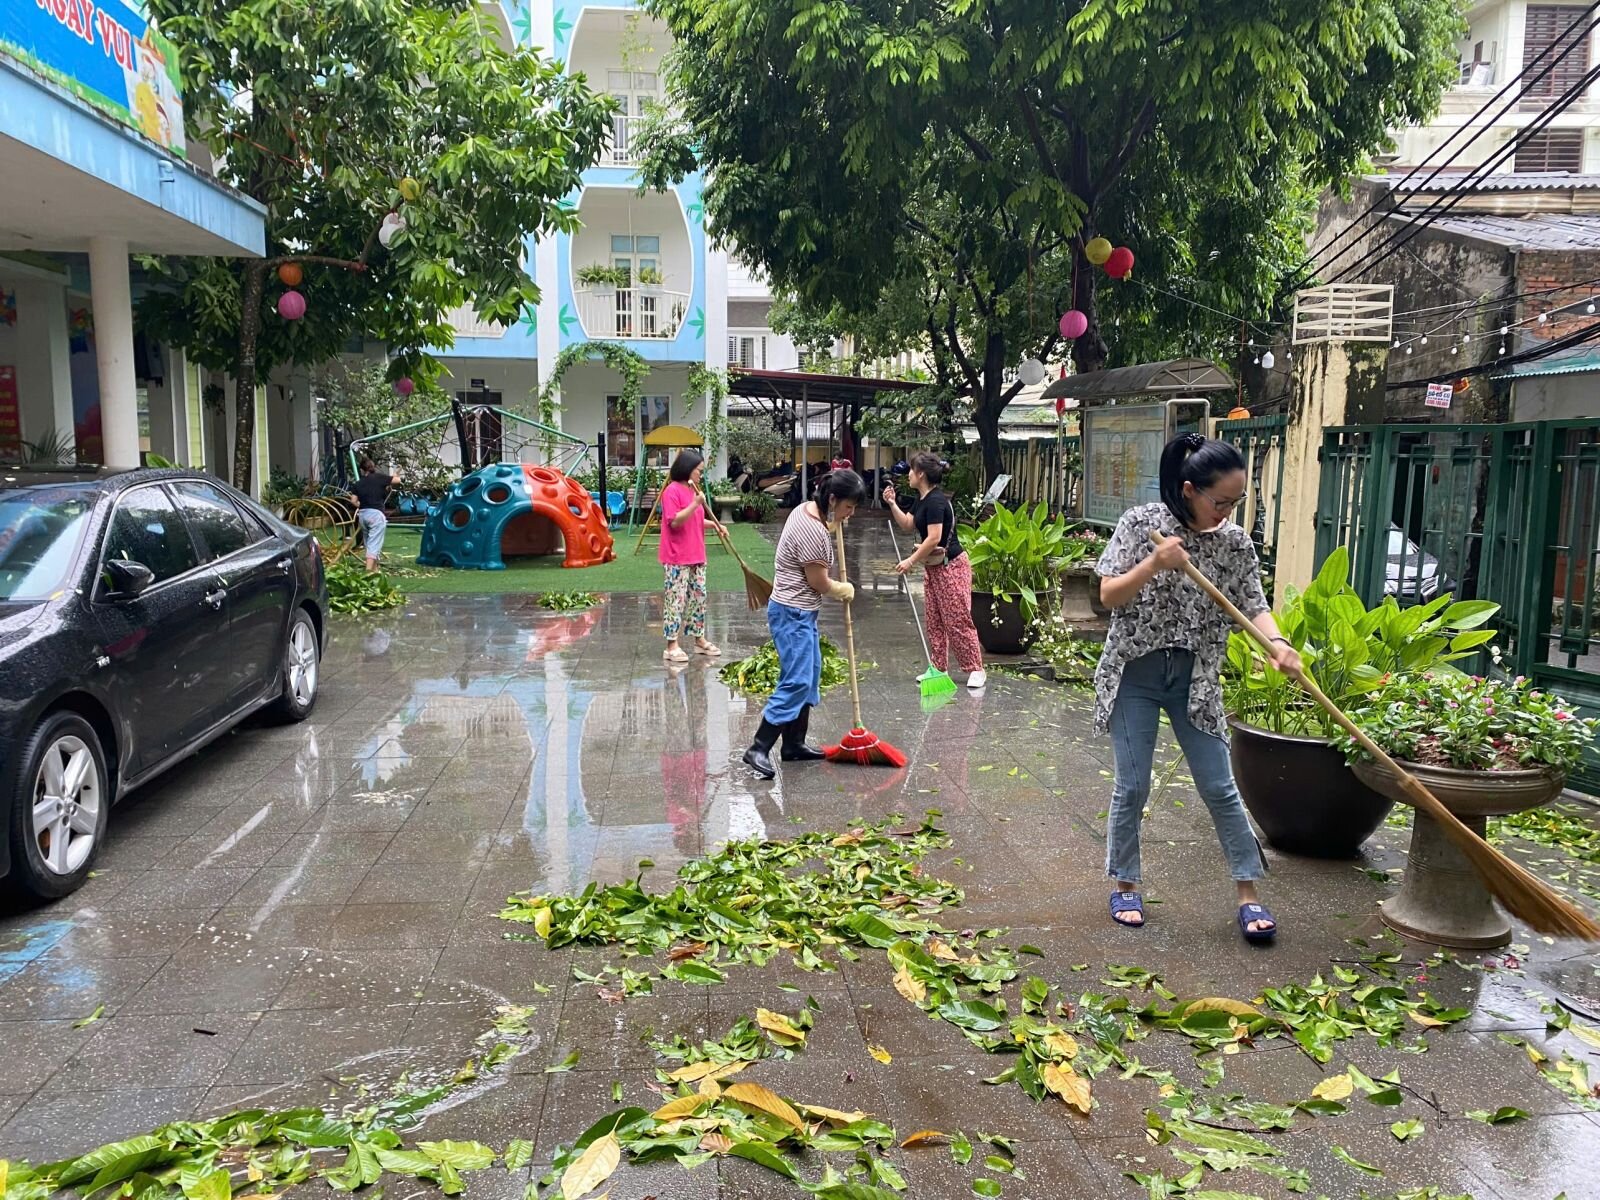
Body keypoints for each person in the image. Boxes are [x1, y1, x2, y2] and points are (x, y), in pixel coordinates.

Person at [1093, 433, 1301, 943]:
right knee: (1133, 785)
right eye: (1220, 502)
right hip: (1135, 672)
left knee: (1219, 786)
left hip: (1197, 677)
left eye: (1236, 502)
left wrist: (1276, 643)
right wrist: (1153, 564)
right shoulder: (1143, 525)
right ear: (1190, 489)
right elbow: (1107, 595)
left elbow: (1253, 603)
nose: (1227, 512)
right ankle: (1126, 883)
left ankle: (1249, 895)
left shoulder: (1234, 543)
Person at [742, 468, 867, 779]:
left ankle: (793, 744)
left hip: (799, 611)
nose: (850, 514)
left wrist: (834, 521)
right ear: (833, 499)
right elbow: (819, 582)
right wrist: (842, 589)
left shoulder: (804, 510)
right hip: (792, 612)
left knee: (808, 675)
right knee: (797, 680)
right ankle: (759, 746)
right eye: (848, 507)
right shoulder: (813, 532)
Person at [882, 452, 985, 689]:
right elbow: (908, 525)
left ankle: (976, 668)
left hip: (952, 567)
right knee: (934, 620)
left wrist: (910, 561)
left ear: (921, 474)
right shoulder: (922, 499)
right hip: (934, 569)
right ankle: (938, 668)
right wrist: (892, 504)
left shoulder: (937, 501)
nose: (908, 474)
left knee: (957, 619)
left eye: (911, 470)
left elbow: (934, 538)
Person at [660, 449, 726, 663]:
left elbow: (694, 520)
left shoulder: (692, 490)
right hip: (676, 556)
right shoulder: (672, 491)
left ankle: (699, 640)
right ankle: (671, 645)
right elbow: (675, 521)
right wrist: (695, 504)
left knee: (699, 598)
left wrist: (716, 525)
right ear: (688, 469)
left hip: (697, 554)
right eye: (699, 471)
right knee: (675, 601)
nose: (701, 475)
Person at [350, 457, 401, 573]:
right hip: (376, 515)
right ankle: (368, 572)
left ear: (362, 470)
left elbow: (353, 501)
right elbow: (397, 481)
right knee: (374, 544)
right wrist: (396, 474)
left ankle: (375, 571)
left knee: (369, 543)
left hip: (363, 515)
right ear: (373, 467)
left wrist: (361, 505)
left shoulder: (358, 483)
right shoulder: (379, 478)